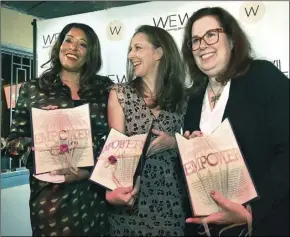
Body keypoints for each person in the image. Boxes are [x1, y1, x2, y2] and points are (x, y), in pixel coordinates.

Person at [181, 6, 289, 236]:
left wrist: (252, 211)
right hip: (207, 227)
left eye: (211, 34)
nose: (202, 45)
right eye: (195, 40)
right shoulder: (193, 100)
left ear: (231, 39)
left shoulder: (263, 77)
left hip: (265, 223)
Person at [5, 23, 114, 236]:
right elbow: (12, 142)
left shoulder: (104, 90)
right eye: (68, 40)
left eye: (83, 44)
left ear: (90, 54)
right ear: (60, 45)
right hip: (50, 203)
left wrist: (88, 169)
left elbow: (113, 139)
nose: (73, 47)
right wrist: (38, 146)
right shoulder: (33, 89)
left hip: (95, 198)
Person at [106, 25, 188, 236]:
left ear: (159, 52)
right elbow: (115, 153)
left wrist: (175, 142)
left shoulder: (183, 97)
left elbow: (195, 143)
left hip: (173, 200)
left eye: (138, 48)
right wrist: (112, 192)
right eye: (130, 49)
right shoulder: (120, 93)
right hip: (132, 201)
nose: (131, 54)